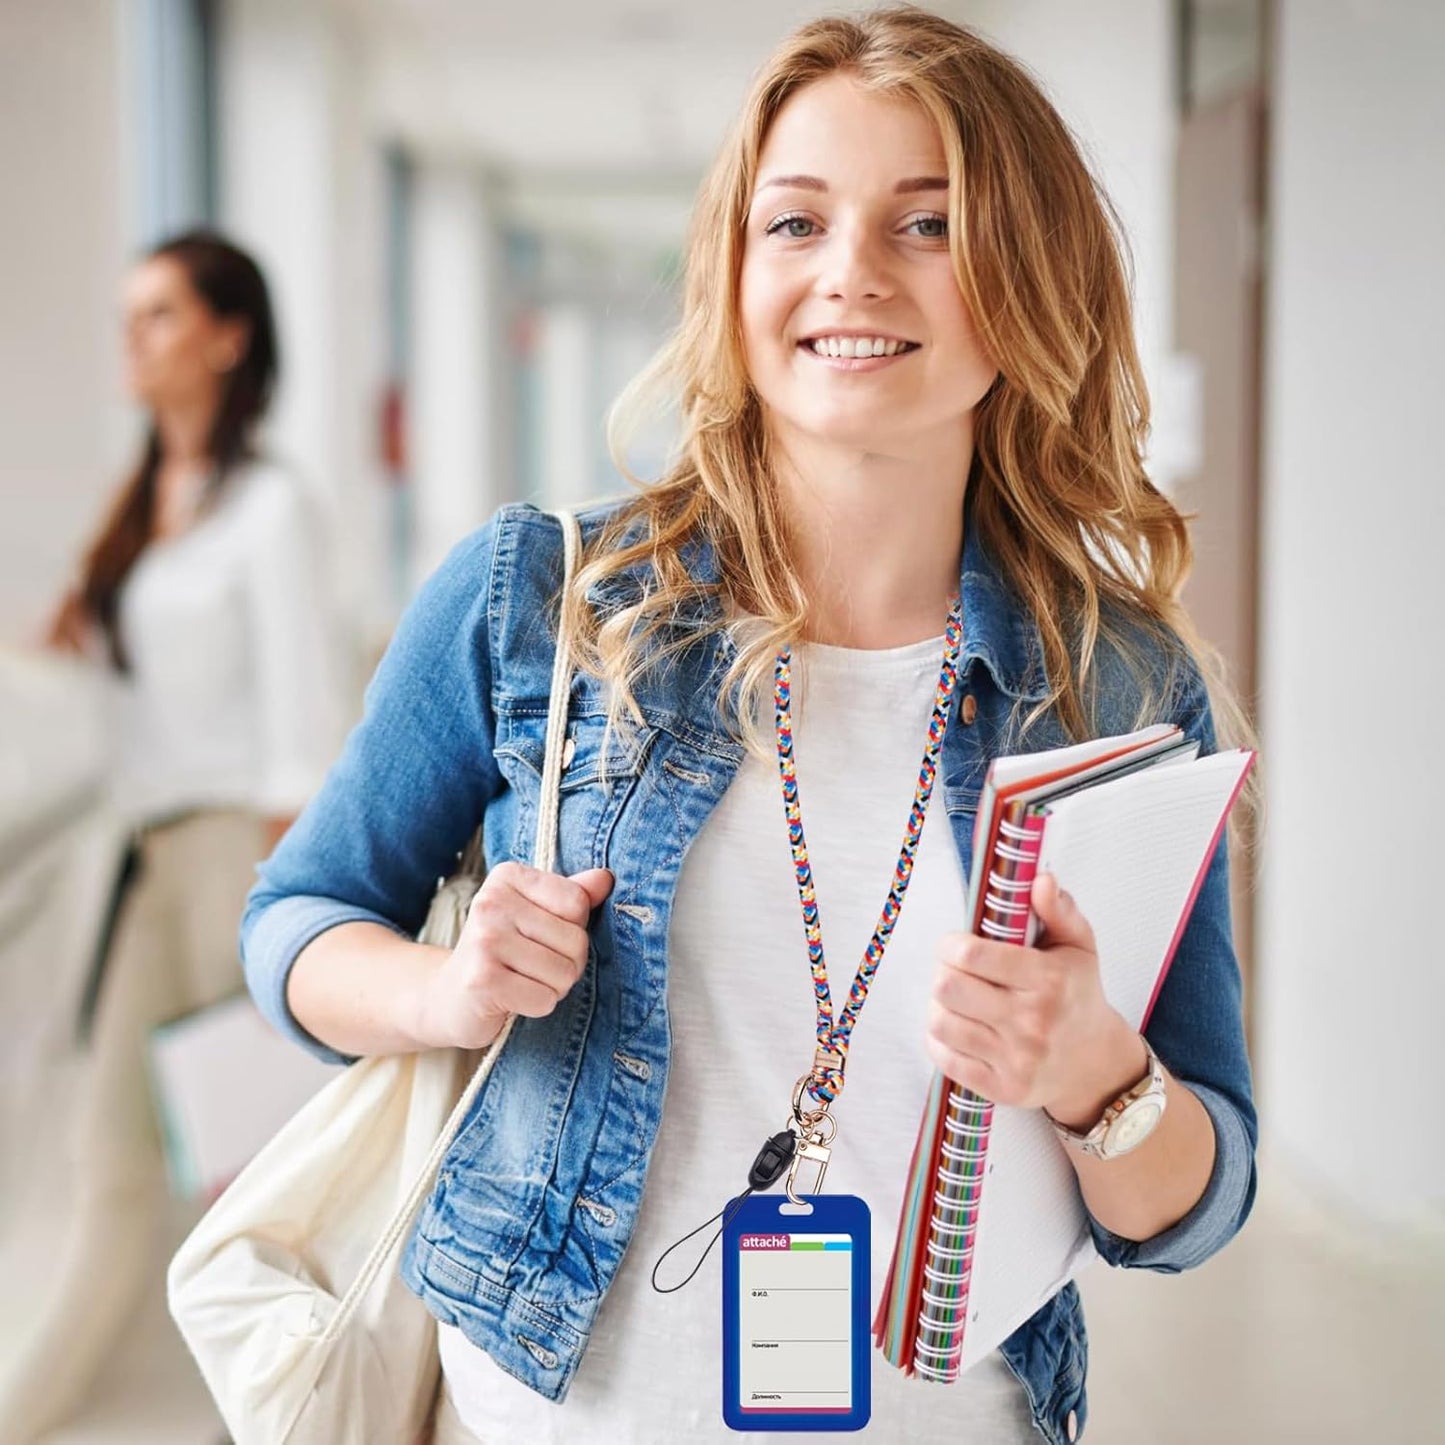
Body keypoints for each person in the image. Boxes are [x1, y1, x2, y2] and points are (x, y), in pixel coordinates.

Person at [241, 10, 1256, 1444]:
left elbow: (1197, 1204)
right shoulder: (544, 599)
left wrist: (1098, 1075)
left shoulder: (1124, 682)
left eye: (928, 224)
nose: (850, 273)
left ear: (1028, 279)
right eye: (795, 222)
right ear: (731, 270)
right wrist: (443, 992)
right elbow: (295, 921)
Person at [7, 230, 343, 1438]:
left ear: (226, 336)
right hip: (144, 861)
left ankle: (265, 1402)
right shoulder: (148, 504)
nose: (132, 339)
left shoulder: (268, 509)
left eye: (157, 314)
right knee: (115, 1150)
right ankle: (52, 1397)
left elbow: (306, 723)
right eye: (128, 315)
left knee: (245, 1161)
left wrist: (286, 911)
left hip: (230, 861)